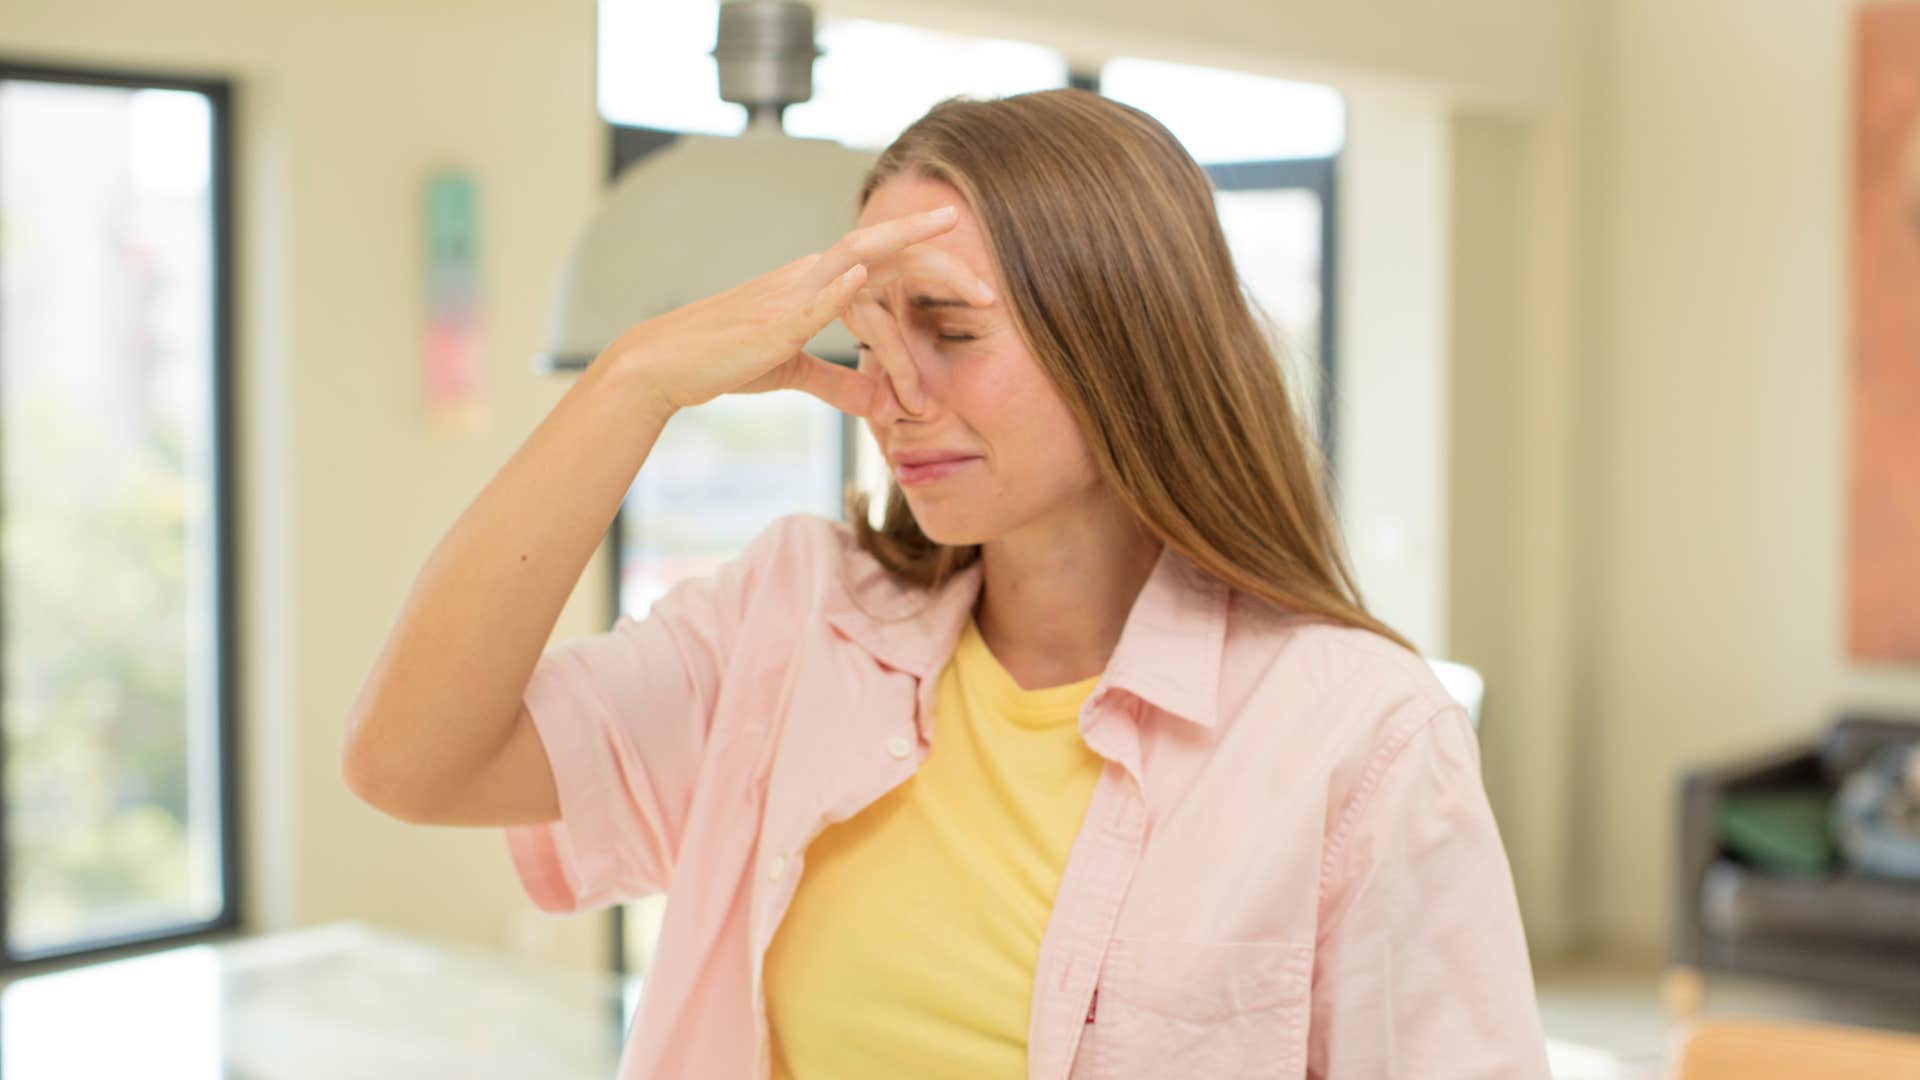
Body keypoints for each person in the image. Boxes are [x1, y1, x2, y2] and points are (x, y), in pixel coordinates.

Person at [341, 87, 1551, 1080]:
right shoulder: (791, 621)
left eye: (953, 333)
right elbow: (408, 761)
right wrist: (635, 379)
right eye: (868, 341)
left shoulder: (1358, 736)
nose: (893, 392)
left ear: (1123, 335)